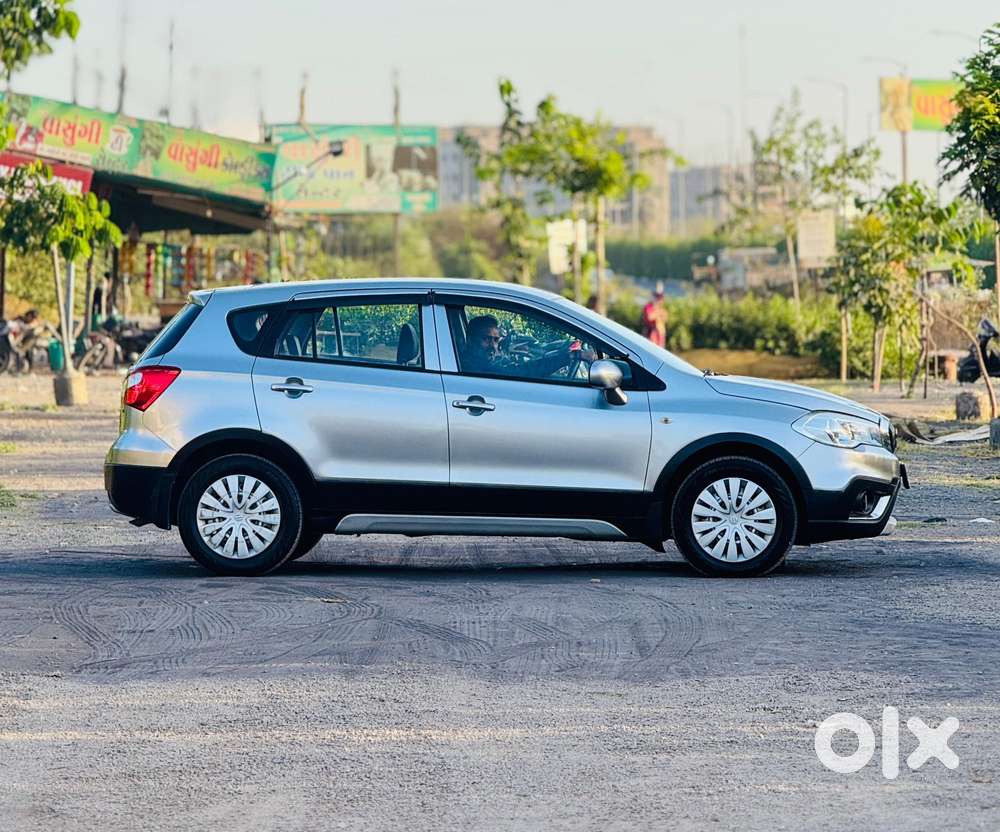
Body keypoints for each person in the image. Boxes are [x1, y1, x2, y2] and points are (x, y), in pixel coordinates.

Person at [461, 314, 595, 379]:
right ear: (471, 340)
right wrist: (574, 355)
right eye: (486, 339)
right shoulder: (475, 366)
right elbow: (525, 371)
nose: (492, 346)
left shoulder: (474, 361)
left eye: (495, 340)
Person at [641, 283, 668, 348]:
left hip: (659, 335)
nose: (659, 299)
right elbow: (649, 317)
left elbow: (665, 318)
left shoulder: (661, 308)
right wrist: (658, 313)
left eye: (660, 297)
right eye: (657, 297)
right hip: (650, 334)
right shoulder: (648, 306)